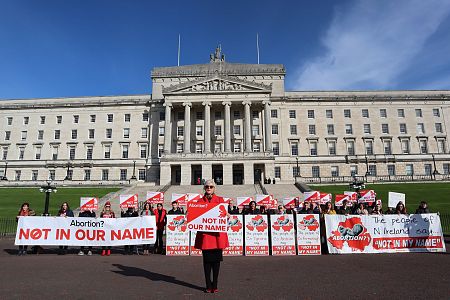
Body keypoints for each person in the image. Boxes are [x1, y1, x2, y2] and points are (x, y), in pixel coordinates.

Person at [194, 180, 229, 293]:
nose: (209, 188)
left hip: (217, 236)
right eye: (207, 186)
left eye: (211, 186)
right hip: (206, 236)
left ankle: (215, 284)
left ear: (214, 188)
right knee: (207, 262)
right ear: (204, 188)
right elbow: (193, 215)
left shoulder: (220, 200)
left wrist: (227, 215)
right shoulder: (199, 202)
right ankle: (208, 285)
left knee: (216, 262)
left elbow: (225, 215)